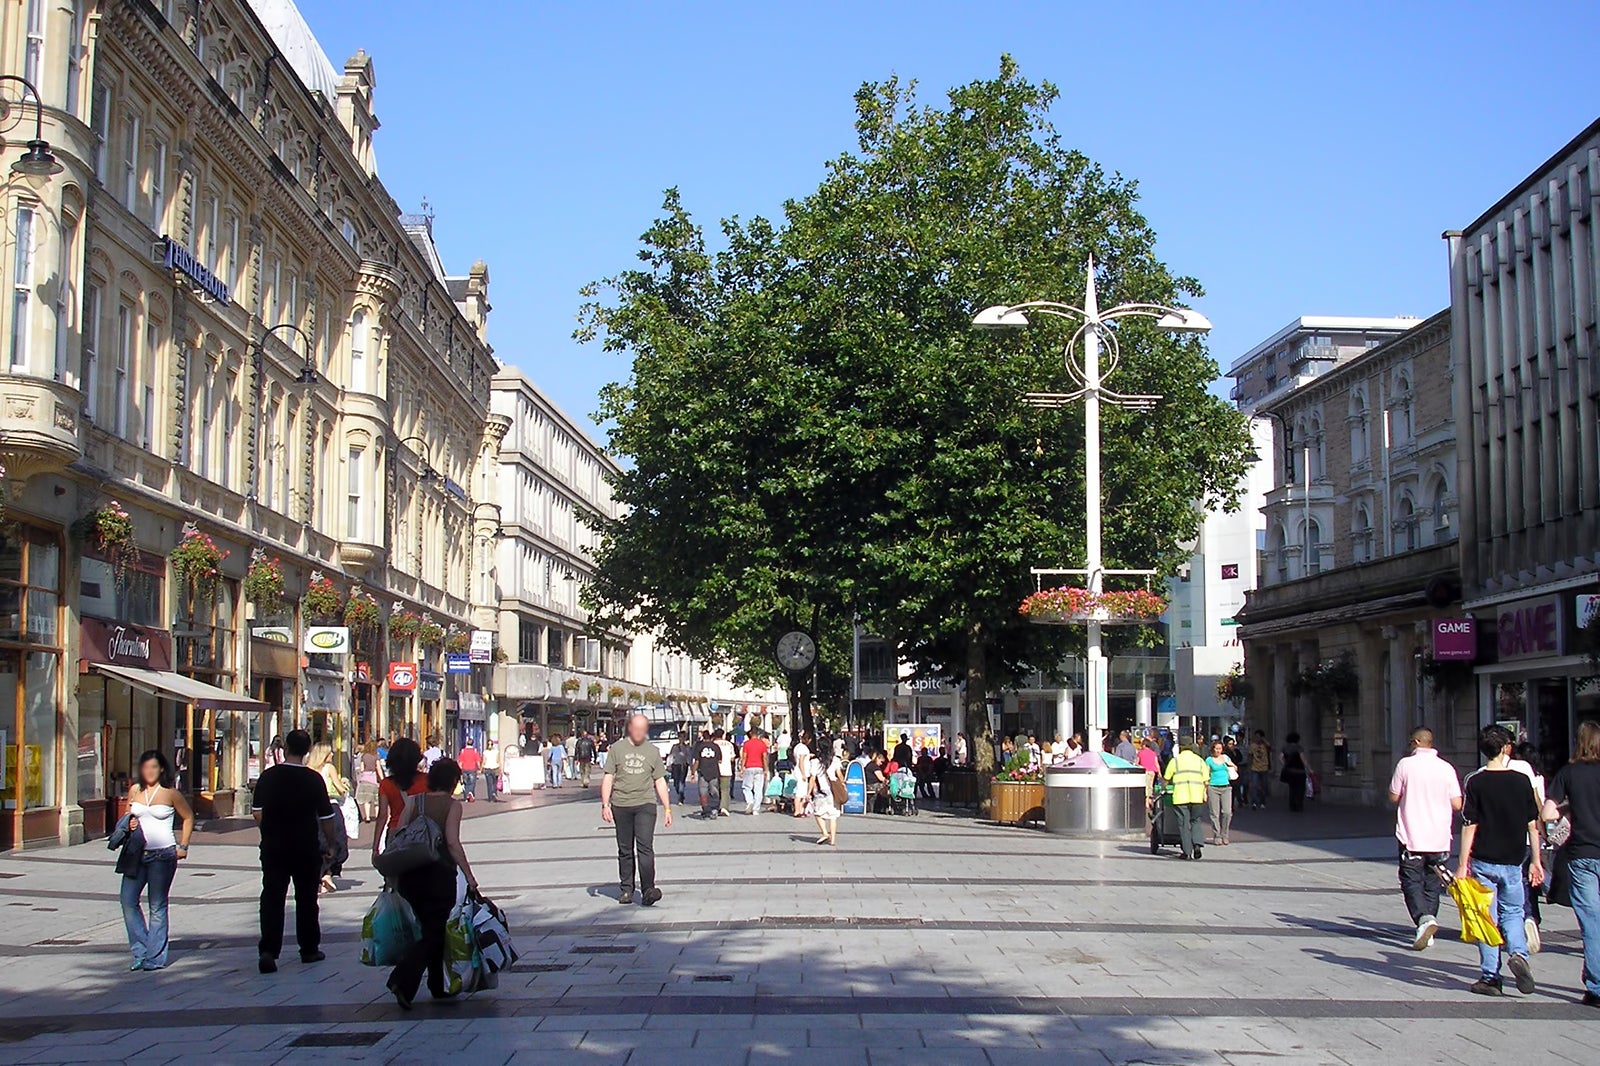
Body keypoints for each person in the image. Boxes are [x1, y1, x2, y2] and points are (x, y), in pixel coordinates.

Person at [386, 758, 480, 1010]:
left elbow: (399, 833)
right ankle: (402, 979)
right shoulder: (452, 805)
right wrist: (468, 874)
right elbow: (452, 842)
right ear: (453, 781)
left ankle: (437, 986)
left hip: (411, 874)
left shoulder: (415, 801)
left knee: (431, 929)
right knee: (434, 932)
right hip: (438, 874)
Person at [1458, 724, 1543, 997]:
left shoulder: (1476, 781)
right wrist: (1537, 861)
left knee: (1486, 916)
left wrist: (1461, 864)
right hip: (1514, 858)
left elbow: (1470, 824)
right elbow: (1533, 824)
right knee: (1514, 912)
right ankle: (1518, 954)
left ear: (1483, 751)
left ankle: (1490, 975)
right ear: (1506, 748)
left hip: (1484, 858)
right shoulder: (1521, 781)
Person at [252, 729, 342, 974]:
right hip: (305, 845)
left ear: (287, 748)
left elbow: (257, 811)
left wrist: (268, 829)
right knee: (306, 898)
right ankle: (309, 949)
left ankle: (269, 950)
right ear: (307, 750)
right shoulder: (313, 780)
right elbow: (327, 816)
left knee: (272, 896)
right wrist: (331, 844)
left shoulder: (268, 776)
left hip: (274, 846)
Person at [1388, 726, 1463, 951]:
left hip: (1411, 835)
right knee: (1432, 882)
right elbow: (1457, 803)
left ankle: (1423, 918)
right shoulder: (1446, 768)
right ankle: (1428, 923)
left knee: (1411, 880)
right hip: (1439, 836)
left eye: (1411, 742)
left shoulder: (1405, 765)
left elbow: (1393, 796)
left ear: (1418, 742)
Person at [119, 751, 195, 971]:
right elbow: (127, 816)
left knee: (157, 905)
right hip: (137, 854)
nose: (149, 771)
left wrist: (184, 845)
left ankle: (155, 958)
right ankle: (142, 950)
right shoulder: (135, 790)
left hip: (163, 855)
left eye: (153, 767)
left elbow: (188, 817)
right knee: (127, 900)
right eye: (145, 767)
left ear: (161, 769)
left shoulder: (170, 794)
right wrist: (130, 823)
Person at [1543, 719, 1600, 1008]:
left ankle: (1597, 986)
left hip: (1583, 853)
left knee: (1591, 921)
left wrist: (1569, 805)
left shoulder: (1569, 773)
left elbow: (1548, 813)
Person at [601, 713, 674, 905]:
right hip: (621, 804)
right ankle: (626, 889)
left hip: (645, 805)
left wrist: (667, 808)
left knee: (645, 847)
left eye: (644, 729)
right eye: (637, 728)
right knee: (625, 849)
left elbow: (659, 780)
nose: (640, 732)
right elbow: (609, 777)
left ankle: (648, 889)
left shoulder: (652, 751)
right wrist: (605, 804)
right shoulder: (617, 749)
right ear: (630, 728)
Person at [1509, 742, 1547, 952]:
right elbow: (1539, 807)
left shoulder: (1513, 771)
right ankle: (1531, 916)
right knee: (1529, 880)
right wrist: (1545, 834)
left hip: (1508, 838)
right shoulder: (1537, 778)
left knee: (1513, 883)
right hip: (1530, 835)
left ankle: (1520, 920)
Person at [373, 737, 427, 863]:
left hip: (396, 831)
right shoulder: (427, 780)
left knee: (394, 874)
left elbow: (382, 816)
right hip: (421, 831)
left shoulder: (386, 784)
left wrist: (375, 847)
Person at [306, 742, 350, 893]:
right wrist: (344, 784)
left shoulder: (309, 769)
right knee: (336, 841)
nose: (332, 755)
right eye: (330, 753)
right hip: (330, 807)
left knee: (317, 842)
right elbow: (340, 789)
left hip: (313, 810)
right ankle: (327, 873)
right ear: (324, 755)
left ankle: (322, 875)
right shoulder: (329, 768)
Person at [1163, 738, 1209, 860]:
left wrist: (1162, 788)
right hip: (1197, 796)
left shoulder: (1175, 761)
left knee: (1183, 823)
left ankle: (1187, 851)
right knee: (1196, 821)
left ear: (1181, 747)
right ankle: (1197, 845)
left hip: (1180, 796)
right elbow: (1206, 779)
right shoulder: (1199, 761)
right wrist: (1204, 793)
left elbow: (1166, 777)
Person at [1204, 740, 1237, 846]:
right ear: (1213, 749)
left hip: (1226, 787)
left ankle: (1225, 834)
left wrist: (1230, 766)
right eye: (1216, 748)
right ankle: (1217, 835)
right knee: (1214, 813)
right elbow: (1206, 774)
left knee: (1227, 812)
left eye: (1220, 749)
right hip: (1213, 787)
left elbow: (1235, 767)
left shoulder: (1226, 758)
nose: (1218, 751)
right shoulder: (1209, 760)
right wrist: (1205, 789)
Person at [811, 746, 842, 845]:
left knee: (817, 813)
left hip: (822, 791)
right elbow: (839, 774)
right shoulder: (836, 759)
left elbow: (812, 778)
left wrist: (809, 791)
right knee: (833, 816)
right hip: (834, 790)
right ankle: (832, 840)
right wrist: (843, 784)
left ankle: (825, 833)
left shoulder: (815, 761)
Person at [694, 730, 722, 819]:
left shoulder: (699, 746)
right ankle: (714, 809)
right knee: (714, 791)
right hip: (714, 772)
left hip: (703, 772)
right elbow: (720, 760)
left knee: (703, 792)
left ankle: (705, 809)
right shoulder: (716, 746)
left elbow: (697, 761)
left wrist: (692, 772)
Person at [741, 729, 769, 815]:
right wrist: (765, 769)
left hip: (749, 767)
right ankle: (756, 809)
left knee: (747, 787)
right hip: (759, 767)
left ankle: (750, 801)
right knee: (758, 789)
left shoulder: (746, 744)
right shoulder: (762, 744)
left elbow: (744, 757)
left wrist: (742, 768)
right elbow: (764, 757)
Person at [354, 740, 382, 823]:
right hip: (373, 778)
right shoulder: (376, 756)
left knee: (367, 799)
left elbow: (362, 769)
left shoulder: (364, 756)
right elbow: (378, 768)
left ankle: (367, 817)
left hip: (365, 779)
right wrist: (382, 778)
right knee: (376, 799)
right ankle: (377, 816)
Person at [1281, 732, 1308, 813]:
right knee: (1300, 788)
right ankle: (1299, 804)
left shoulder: (1285, 748)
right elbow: (1303, 759)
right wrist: (1309, 769)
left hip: (1290, 771)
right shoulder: (1298, 747)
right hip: (1299, 771)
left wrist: (1285, 764)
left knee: (1292, 788)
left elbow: (1280, 757)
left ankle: (1292, 805)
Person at [792, 732, 814, 818]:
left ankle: (801, 810)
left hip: (798, 771)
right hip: (802, 772)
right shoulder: (804, 748)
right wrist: (803, 773)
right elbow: (801, 761)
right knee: (800, 792)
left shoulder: (797, 747)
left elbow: (797, 759)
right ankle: (797, 811)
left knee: (802, 792)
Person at [714, 729, 736, 817]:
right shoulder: (729, 744)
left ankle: (716, 806)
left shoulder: (714, 744)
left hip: (715, 770)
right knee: (725, 790)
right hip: (727, 769)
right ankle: (724, 808)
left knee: (715, 789)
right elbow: (732, 758)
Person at [1248, 731, 1272, 810]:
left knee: (1264, 786)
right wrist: (1250, 766)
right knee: (1254, 786)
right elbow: (1250, 756)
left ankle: (1262, 802)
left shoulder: (1265, 745)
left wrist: (1264, 741)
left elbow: (1270, 748)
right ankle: (1254, 802)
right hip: (1255, 768)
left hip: (1264, 768)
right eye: (1256, 737)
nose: (1257, 738)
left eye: (1258, 737)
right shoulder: (1252, 746)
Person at [667, 735, 692, 804]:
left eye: (683, 737)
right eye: (680, 737)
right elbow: (671, 756)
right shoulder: (674, 747)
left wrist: (691, 767)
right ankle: (680, 793)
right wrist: (669, 765)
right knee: (676, 782)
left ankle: (680, 797)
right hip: (675, 765)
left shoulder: (687, 747)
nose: (681, 739)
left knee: (681, 781)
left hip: (683, 766)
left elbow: (690, 757)